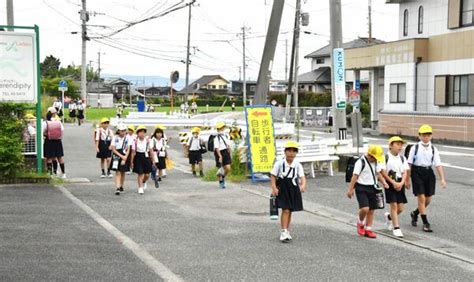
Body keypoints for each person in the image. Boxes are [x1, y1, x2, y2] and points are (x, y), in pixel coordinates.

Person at [407, 124, 447, 233]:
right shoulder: (414, 148)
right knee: (421, 198)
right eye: (424, 135)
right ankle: (425, 223)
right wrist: (407, 179)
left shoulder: (433, 149)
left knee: (428, 199)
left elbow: (438, 164)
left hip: (429, 173)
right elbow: (409, 164)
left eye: (428, 135)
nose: (426, 137)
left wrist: (442, 179)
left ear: (431, 136)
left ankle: (415, 213)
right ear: (419, 136)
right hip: (417, 172)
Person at [346, 145, 389, 239]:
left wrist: (384, 182)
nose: (375, 159)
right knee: (365, 208)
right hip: (361, 187)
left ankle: (368, 228)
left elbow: (378, 174)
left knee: (371, 210)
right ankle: (360, 222)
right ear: (370, 155)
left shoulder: (376, 162)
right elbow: (355, 176)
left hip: (373, 187)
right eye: (374, 158)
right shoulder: (360, 162)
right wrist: (350, 189)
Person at [271, 141, 307, 242]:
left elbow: (302, 177)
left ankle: (287, 230)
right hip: (283, 188)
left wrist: (303, 185)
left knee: (290, 210)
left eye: (294, 151)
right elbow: (273, 176)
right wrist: (274, 187)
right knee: (285, 209)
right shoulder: (279, 163)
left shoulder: (297, 165)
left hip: (293, 188)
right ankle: (283, 231)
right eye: (289, 151)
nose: (291, 153)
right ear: (285, 152)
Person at [381, 136, 410, 238]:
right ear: (390, 146)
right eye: (397, 144)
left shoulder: (402, 158)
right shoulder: (385, 157)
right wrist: (392, 183)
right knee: (393, 205)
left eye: (401, 144)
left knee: (400, 208)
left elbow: (405, 171)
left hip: (399, 183)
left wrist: (402, 183)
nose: (400, 147)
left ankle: (389, 217)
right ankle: (396, 228)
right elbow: (383, 172)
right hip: (390, 183)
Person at [43, 107, 66, 178]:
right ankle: (63, 173)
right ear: (54, 114)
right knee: (59, 157)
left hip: (49, 140)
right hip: (58, 141)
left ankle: (50, 174)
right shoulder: (58, 122)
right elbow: (62, 131)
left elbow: (42, 131)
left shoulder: (45, 122)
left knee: (49, 157)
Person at [130, 125, 153, 195]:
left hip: (146, 157)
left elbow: (151, 151)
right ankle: (140, 187)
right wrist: (131, 162)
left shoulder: (148, 141)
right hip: (138, 157)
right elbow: (133, 152)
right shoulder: (135, 141)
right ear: (137, 133)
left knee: (147, 174)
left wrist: (154, 160)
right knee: (140, 173)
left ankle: (144, 182)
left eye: (143, 132)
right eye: (140, 132)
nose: (142, 134)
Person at [110, 124, 131, 195]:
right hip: (117, 155)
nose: (123, 132)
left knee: (123, 171)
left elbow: (128, 149)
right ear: (118, 131)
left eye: (124, 131)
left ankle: (121, 185)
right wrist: (121, 156)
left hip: (125, 154)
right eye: (121, 131)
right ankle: (118, 187)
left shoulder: (128, 138)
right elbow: (113, 148)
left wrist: (125, 158)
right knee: (118, 172)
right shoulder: (115, 137)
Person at [214, 122, 232, 189]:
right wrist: (220, 156)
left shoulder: (226, 135)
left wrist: (229, 151)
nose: (223, 129)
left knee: (228, 168)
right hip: (219, 153)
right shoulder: (216, 138)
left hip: (226, 152)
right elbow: (217, 148)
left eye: (223, 128)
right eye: (222, 128)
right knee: (221, 168)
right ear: (218, 129)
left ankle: (223, 177)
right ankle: (221, 182)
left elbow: (228, 145)